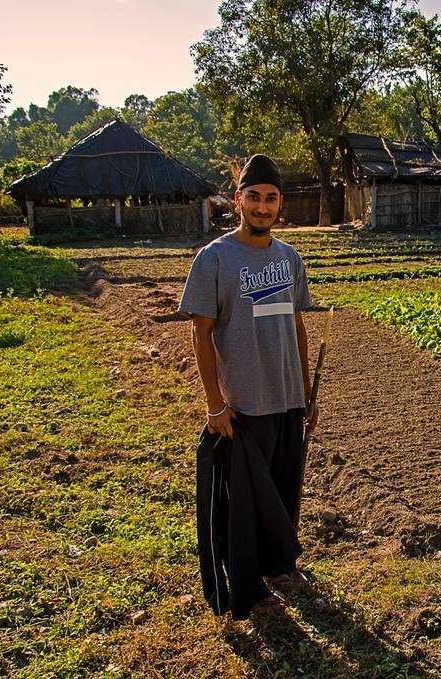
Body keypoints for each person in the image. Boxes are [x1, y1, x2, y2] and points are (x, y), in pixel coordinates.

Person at [179, 153, 316, 619]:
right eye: (253, 197)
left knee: (282, 489)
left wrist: (306, 396)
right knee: (246, 501)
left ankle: (280, 565)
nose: (262, 206)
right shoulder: (215, 258)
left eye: (271, 198)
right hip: (243, 402)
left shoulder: (290, 258)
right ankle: (249, 588)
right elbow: (199, 332)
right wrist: (215, 404)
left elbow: (296, 324)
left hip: (287, 398)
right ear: (238, 201)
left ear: (281, 204)